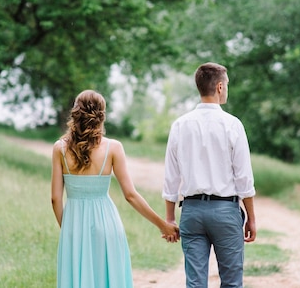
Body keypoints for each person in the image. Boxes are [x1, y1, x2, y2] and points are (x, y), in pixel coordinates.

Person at [51, 89, 179, 288]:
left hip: (73, 225)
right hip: (107, 224)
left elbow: (55, 199)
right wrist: (162, 224)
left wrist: (69, 227)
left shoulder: (59, 148)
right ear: (101, 115)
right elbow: (130, 195)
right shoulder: (113, 148)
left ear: (75, 112)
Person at [163, 62, 256, 288]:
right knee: (232, 282)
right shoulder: (233, 125)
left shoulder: (179, 125)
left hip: (192, 213)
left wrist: (170, 218)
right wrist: (251, 217)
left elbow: (171, 178)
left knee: (195, 283)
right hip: (225, 212)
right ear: (220, 87)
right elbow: (244, 178)